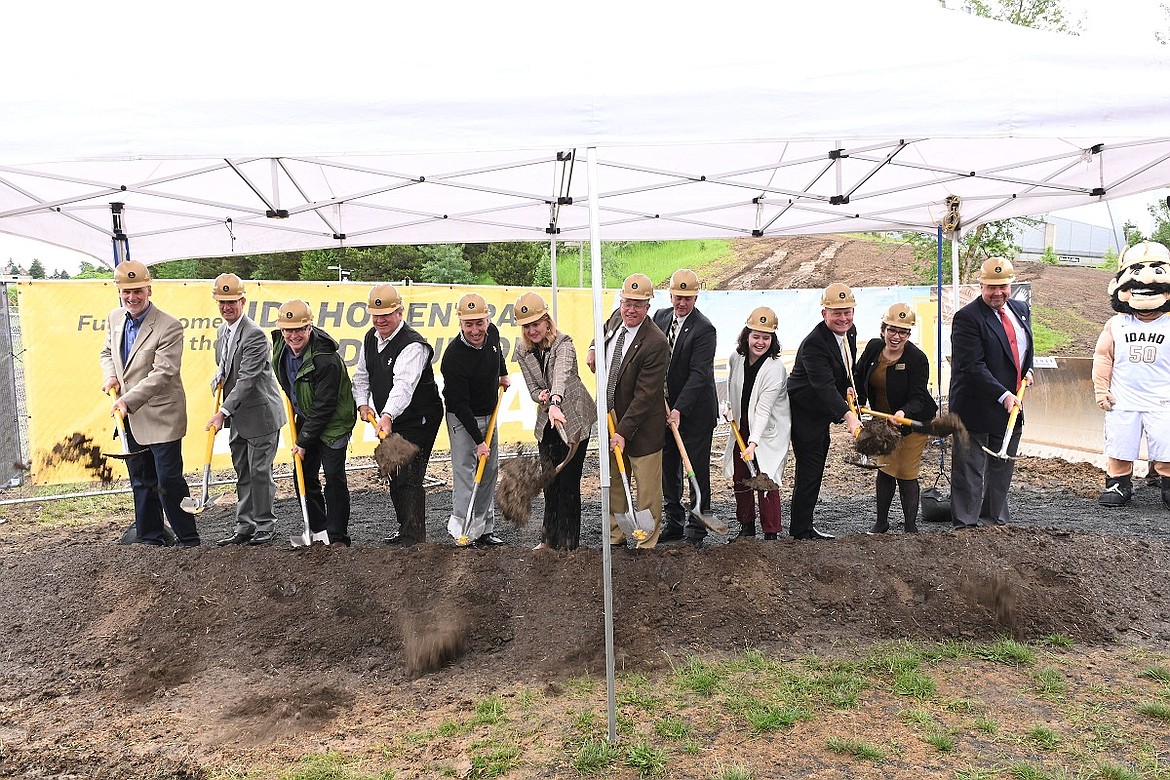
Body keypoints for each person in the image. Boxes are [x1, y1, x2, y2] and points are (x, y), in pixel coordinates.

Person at [99, 260, 201, 547]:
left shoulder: (169, 326)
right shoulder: (115, 317)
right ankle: (150, 538)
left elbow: (163, 374)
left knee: (168, 481)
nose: (132, 297)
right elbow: (107, 352)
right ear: (119, 291)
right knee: (142, 480)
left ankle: (188, 538)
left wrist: (126, 401)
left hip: (161, 416)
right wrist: (111, 377)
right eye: (126, 291)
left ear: (149, 289)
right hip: (130, 417)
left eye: (138, 291)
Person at [352, 283, 444, 546]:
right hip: (388, 419)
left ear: (400, 312)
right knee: (392, 470)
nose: (380, 319)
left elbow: (403, 386)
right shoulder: (370, 338)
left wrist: (388, 414)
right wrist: (362, 404)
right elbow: (361, 376)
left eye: (387, 314)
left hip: (419, 418)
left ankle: (415, 538)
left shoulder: (414, 345)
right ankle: (406, 530)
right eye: (375, 315)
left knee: (409, 473)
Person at [949, 257, 1034, 528]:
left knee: (1002, 467)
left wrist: (1028, 371)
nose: (998, 293)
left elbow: (1023, 349)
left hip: (1011, 405)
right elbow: (972, 365)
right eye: (991, 287)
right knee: (969, 468)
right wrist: (1003, 394)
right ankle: (966, 525)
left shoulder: (1020, 309)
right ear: (980, 285)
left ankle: (994, 522)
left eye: (1003, 286)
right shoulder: (967, 318)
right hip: (975, 404)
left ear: (1011, 284)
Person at [587, 273, 670, 549]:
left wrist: (623, 431)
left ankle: (646, 542)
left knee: (646, 491)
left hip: (642, 427)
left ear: (648, 308)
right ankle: (616, 536)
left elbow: (645, 396)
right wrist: (592, 348)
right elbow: (602, 332)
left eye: (638, 305)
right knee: (615, 486)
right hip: (611, 417)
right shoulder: (615, 318)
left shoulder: (656, 343)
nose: (630, 310)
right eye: (627, 303)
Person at [206, 273, 286, 546]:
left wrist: (222, 413)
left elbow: (248, 379)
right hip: (239, 415)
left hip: (261, 415)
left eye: (231, 302)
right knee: (242, 469)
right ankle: (245, 525)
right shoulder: (223, 332)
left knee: (260, 471)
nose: (226, 307)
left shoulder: (255, 335)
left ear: (243, 301)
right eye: (221, 302)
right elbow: (229, 365)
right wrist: (219, 374)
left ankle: (265, 524)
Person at [271, 299, 357, 546]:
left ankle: (338, 536)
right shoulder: (279, 347)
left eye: (300, 329)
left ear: (310, 328)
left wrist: (304, 440)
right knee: (303, 474)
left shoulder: (325, 359)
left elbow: (325, 405)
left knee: (333, 476)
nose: (294, 335)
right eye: (289, 330)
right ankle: (318, 531)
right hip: (307, 417)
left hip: (334, 422)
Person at [513, 292, 595, 550]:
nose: (532, 330)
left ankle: (569, 543)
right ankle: (549, 540)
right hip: (547, 417)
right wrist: (541, 396)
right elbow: (532, 386)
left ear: (547, 321)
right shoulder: (521, 350)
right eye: (526, 326)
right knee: (550, 480)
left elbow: (561, 374)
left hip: (574, 416)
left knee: (569, 482)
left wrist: (555, 402)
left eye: (536, 324)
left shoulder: (565, 344)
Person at [1092, 241, 1170, 510]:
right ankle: (1118, 482)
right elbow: (1103, 357)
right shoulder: (1116, 324)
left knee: (1167, 443)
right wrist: (1101, 390)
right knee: (1120, 443)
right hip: (1123, 399)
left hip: (1163, 399)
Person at [786, 282, 863, 540]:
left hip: (822, 412)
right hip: (805, 414)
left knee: (815, 468)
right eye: (836, 313)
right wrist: (848, 416)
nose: (843, 318)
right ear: (824, 314)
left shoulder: (849, 333)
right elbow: (823, 385)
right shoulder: (814, 344)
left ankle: (804, 525)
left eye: (847, 311)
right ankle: (800, 530)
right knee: (810, 469)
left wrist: (848, 389)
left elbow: (843, 370)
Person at [855, 303, 937, 534]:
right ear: (883, 329)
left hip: (912, 422)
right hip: (883, 421)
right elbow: (860, 374)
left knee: (906, 472)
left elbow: (919, 396)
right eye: (892, 329)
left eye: (903, 332)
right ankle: (881, 523)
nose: (896, 336)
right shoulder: (873, 348)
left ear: (909, 334)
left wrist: (903, 413)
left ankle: (910, 527)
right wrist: (858, 400)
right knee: (886, 469)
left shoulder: (916, 359)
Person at [652, 269, 719, 547]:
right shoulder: (660, 317)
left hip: (695, 412)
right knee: (669, 467)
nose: (682, 303)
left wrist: (679, 409)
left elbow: (698, 375)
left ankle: (697, 526)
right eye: (678, 297)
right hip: (664, 409)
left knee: (696, 468)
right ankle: (674, 520)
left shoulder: (704, 329)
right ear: (670, 295)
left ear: (696, 297)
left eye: (688, 298)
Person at [441, 292, 510, 546]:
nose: (475, 330)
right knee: (467, 473)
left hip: (488, 413)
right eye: (468, 324)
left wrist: (502, 374)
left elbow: (497, 353)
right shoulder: (453, 357)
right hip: (462, 419)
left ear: (487, 320)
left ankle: (484, 528)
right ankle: (464, 528)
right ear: (460, 324)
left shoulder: (492, 334)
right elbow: (459, 404)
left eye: (479, 322)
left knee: (490, 471)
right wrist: (479, 441)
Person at [722, 306, 791, 540]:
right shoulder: (736, 358)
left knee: (765, 478)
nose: (760, 342)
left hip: (767, 431)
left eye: (766, 337)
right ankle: (747, 528)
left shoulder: (775, 369)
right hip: (741, 424)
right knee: (741, 477)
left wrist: (752, 444)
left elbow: (763, 410)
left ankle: (771, 532)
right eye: (756, 336)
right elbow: (731, 387)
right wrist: (727, 407)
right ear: (746, 335)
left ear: (773, 340)